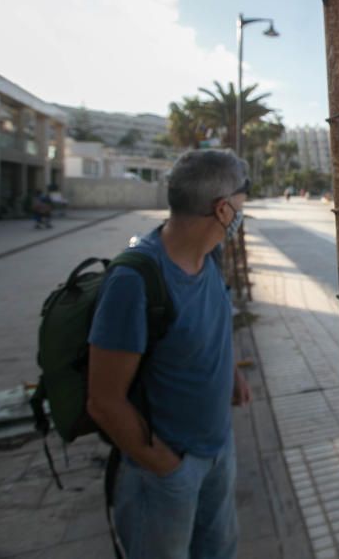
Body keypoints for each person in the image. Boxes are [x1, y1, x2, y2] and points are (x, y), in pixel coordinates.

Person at [87, 149, 252, 559]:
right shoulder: (135, 280)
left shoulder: (209, 257)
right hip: (165, 472)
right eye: (242, 200)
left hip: (218, 451)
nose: (244, 210)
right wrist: (167, 468)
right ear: (222, 208)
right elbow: (104, 402)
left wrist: (231, 371)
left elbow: (214, 318)